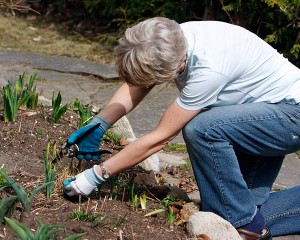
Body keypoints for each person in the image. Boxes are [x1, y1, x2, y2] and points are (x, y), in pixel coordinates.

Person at [63, 17, 300, 239]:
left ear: (174, 66)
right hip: (259, 115)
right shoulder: (171, 38)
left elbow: (160, 138)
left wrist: (95, 175)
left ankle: (243, 225)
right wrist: (100, 123)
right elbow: (140, 81)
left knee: (203, 129)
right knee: (239, 208)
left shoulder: (209, 70)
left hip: (289, 116)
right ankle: (247, 224)